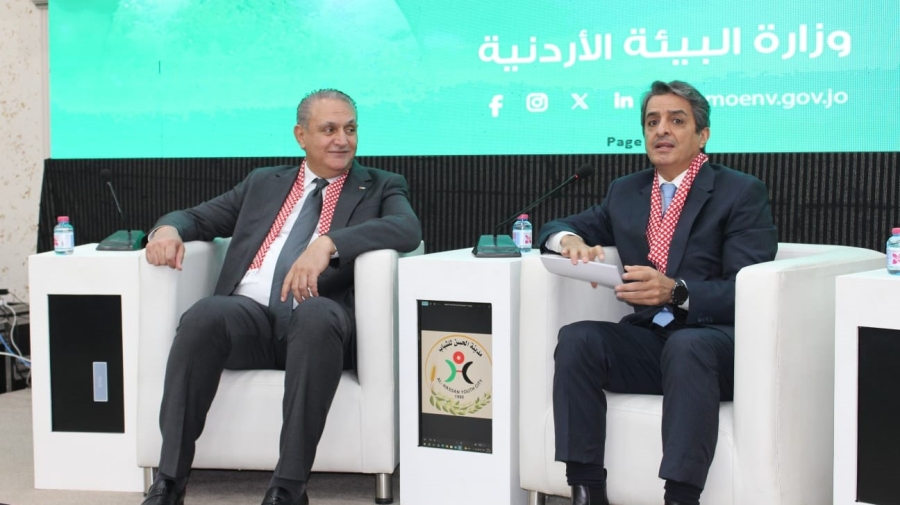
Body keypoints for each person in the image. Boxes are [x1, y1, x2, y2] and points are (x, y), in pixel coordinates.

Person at [141, 89, 422, 505]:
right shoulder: (263, 183)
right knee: (204, 315)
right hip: (249, 319)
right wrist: (166, 230)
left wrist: (329, 243)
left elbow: (407, 229)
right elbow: (197, 217)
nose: (342, 140)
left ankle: (288, 488)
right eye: (329, 129)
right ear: (300, 135)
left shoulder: (380, 185)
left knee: (316, 314)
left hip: (319, 326)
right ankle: (169, 481)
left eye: (350, 129)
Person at [539, 80, 777, 505]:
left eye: (676, 120)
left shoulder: (740, 192)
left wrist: (677, 292)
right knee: (578, 339)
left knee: (687, 346)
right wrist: (569, 241)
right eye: (652, 122)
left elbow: (749, 289)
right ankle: (586, 490)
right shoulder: (626, 191)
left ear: (702, 135)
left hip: (717, 346)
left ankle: (681, 497)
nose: (661, 130)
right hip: (652, 339)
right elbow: (558, 226)